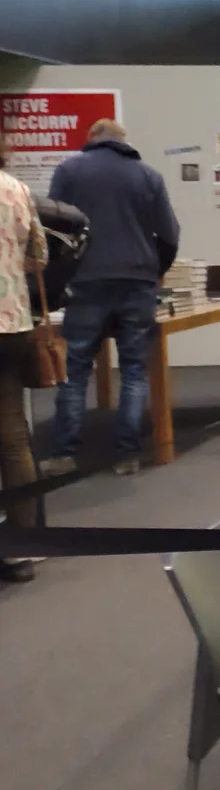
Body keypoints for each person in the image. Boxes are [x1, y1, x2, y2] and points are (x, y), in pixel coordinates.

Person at [43, 119, 180, 477]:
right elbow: (169, 233)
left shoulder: (70, 171)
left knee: (74, 370)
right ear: (124, 141)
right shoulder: (148, 176)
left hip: (86, 282)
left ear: (92, 140)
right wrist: (154, 270)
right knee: (133, 370)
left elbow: (53, 230)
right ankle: (126, 455)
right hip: (137, 282)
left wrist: (59, 280)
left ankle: (64, 453)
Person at [0, 140, 48, 581]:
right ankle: (21, 548)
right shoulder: (16, 189)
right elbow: (39, 257)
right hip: (11, 324)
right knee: (13, 439)